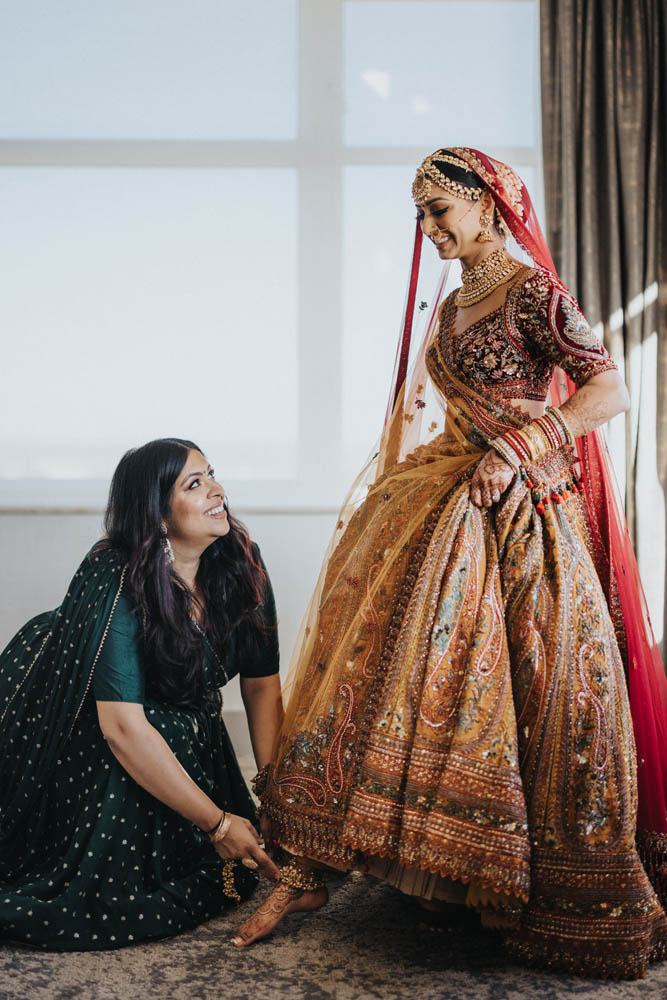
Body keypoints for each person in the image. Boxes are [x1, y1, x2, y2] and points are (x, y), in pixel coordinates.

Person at [233, 149, 667, 979]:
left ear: (486, 204)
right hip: (449, 495)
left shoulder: (535, 291)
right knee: (400, 669)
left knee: (535, 689)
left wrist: (521, 445)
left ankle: (529, 883)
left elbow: (604, 390)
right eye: (421, 215)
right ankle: (410, 869)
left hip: (520, 508)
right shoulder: (452, 306)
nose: (427, 230)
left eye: (439, 211)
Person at [0, 438, 282, 950]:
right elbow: (123, 726)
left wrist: (275, 793)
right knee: (96, 890)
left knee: (188, 739)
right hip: (91, 713)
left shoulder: (241, 559)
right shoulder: (117, 573)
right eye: (194, 484)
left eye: (211, 474)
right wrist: (218, 826)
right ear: (156, 513)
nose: (217, 490)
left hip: (180, 717)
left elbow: (261, 685)